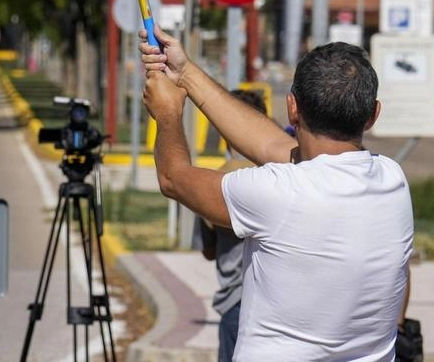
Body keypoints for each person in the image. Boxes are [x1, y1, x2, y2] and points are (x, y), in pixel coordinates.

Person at [141, 31, 413, 362]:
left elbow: (174, 178)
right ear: (373, 114)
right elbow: (271, 146)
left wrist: (167, 113)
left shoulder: (277, 193)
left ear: (292, 108)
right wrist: (185, 73)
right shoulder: (392, 180)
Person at [191, 88, 269, 362]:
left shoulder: (215, 182)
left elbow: (208, 251)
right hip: (276, 306)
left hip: (235, 304)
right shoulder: (281, 175)